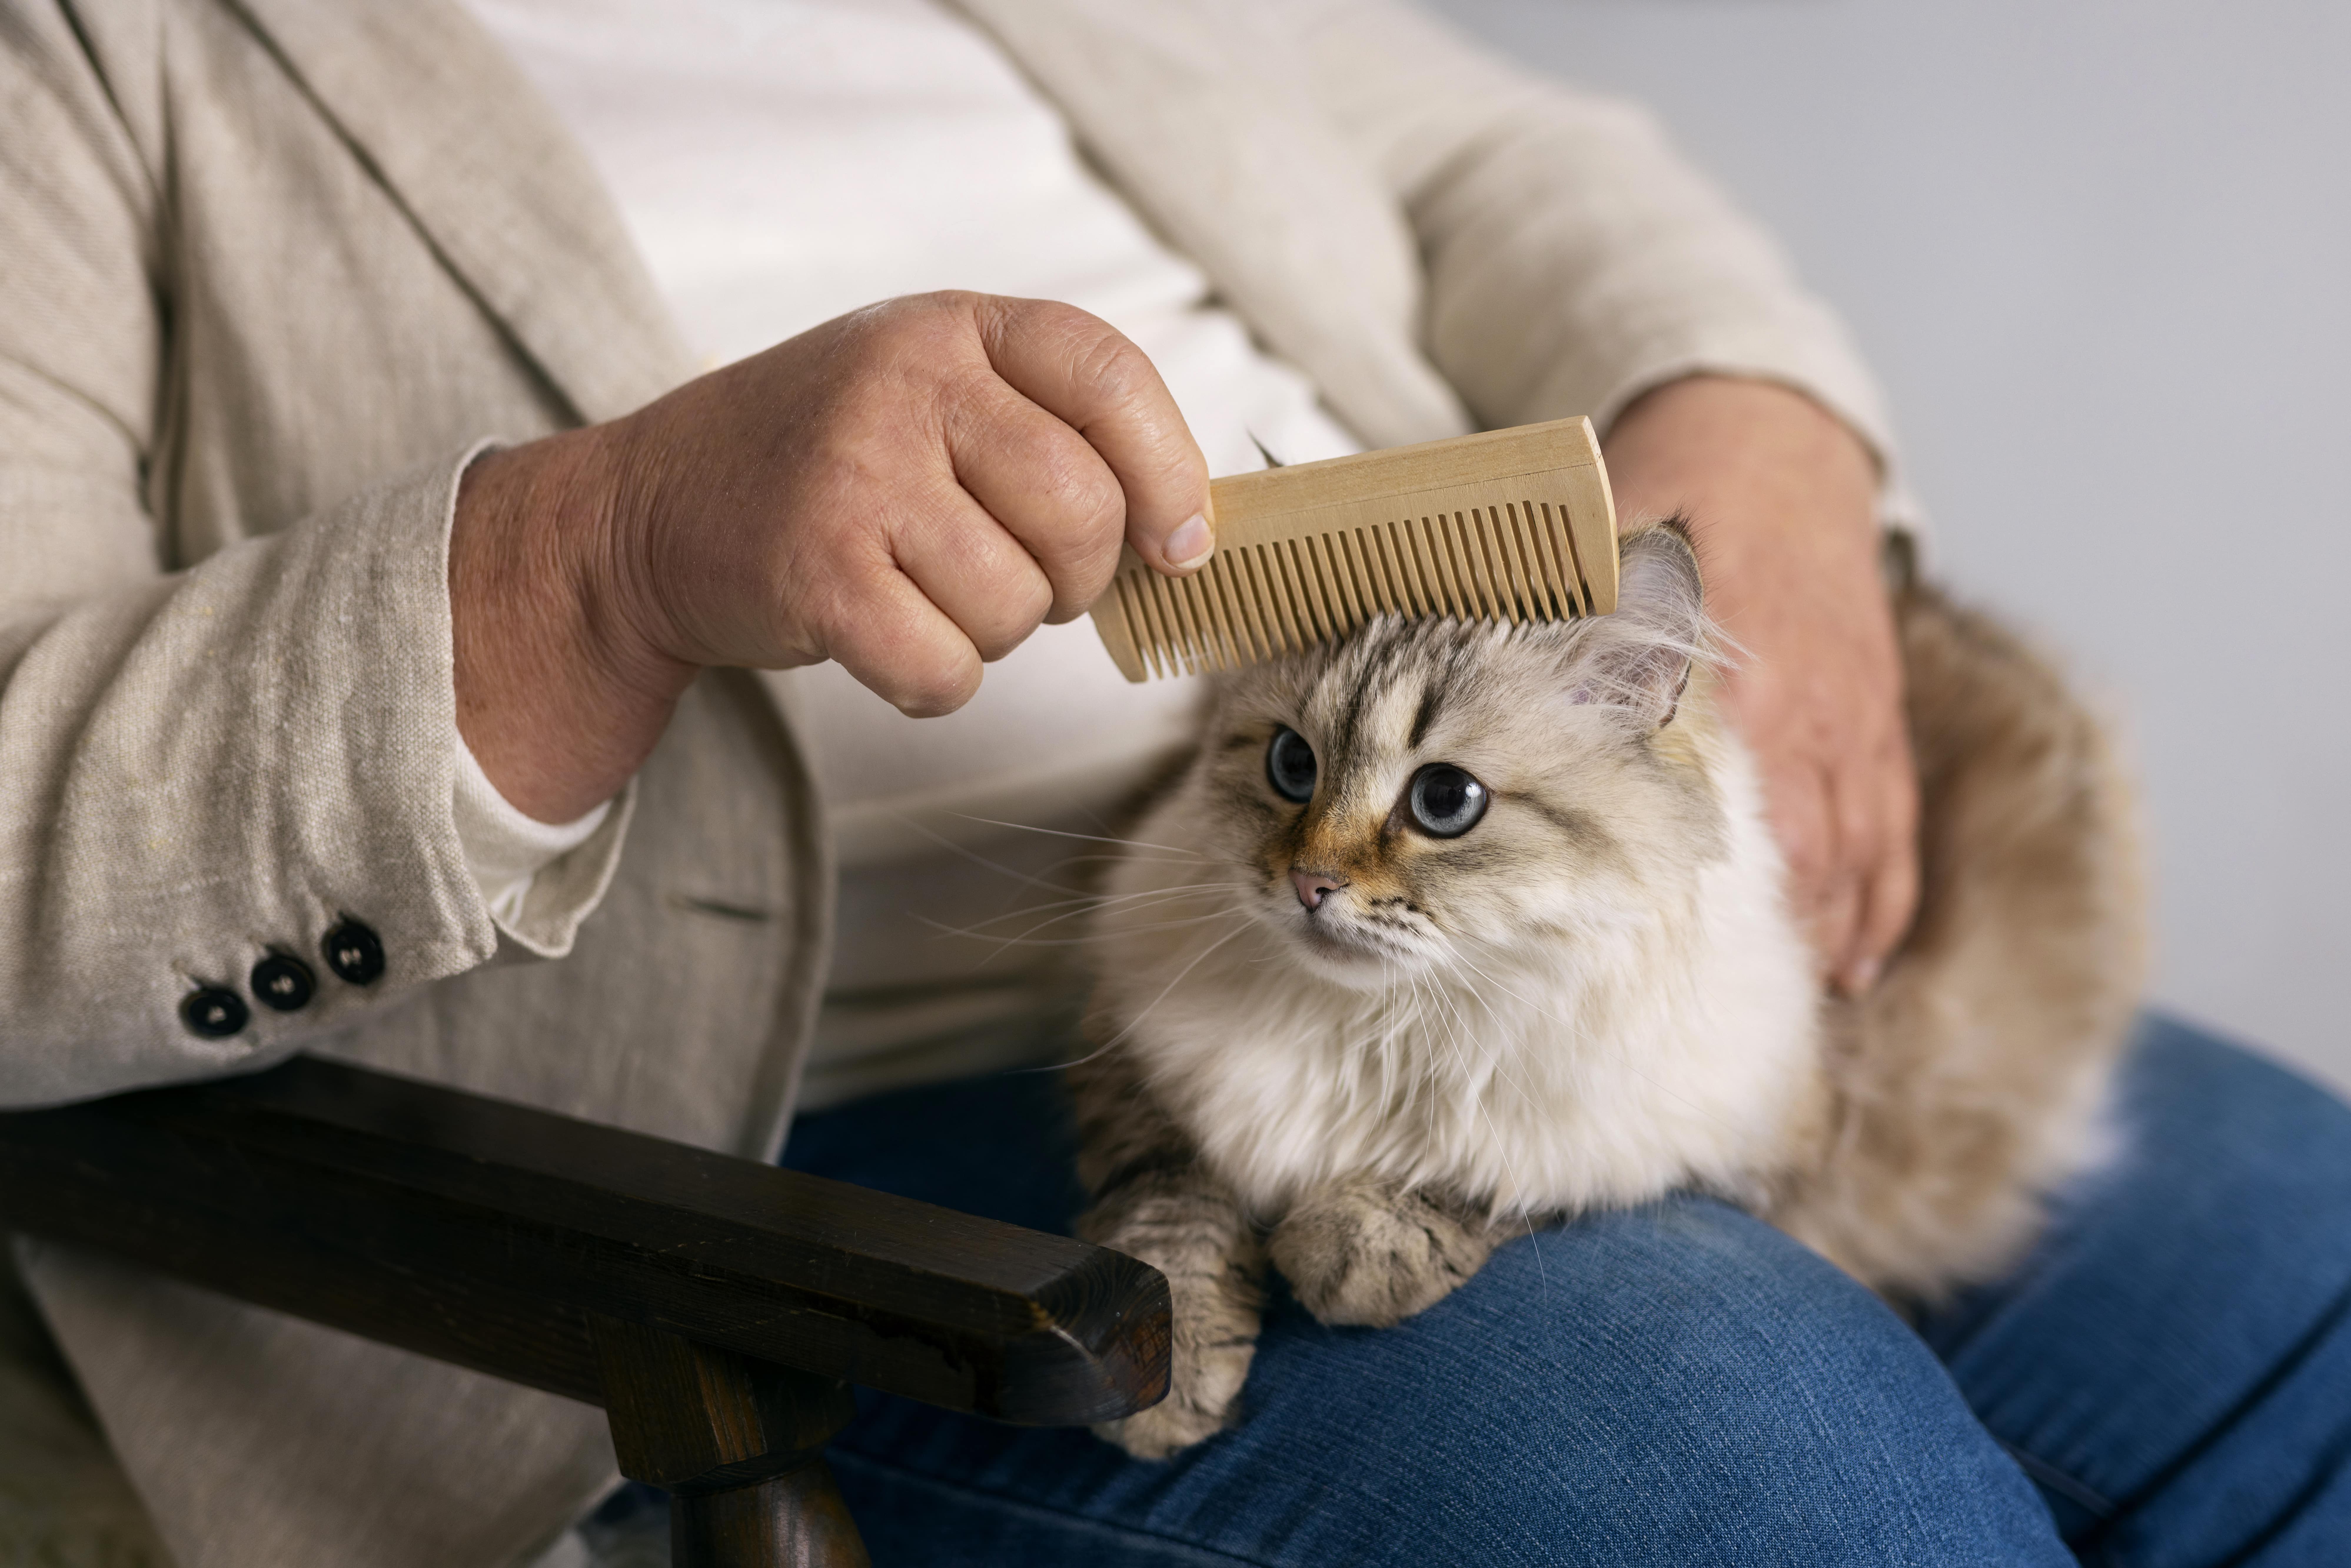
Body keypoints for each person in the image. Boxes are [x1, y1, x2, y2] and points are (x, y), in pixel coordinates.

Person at [0, 1, 2343, 1564]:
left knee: (2311, 1258)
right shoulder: (94, 62)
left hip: (1527, 915)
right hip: (800, 1145)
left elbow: (1503, 156)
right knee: (1754, 1471)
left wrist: (1757, 418)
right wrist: (596, 561)